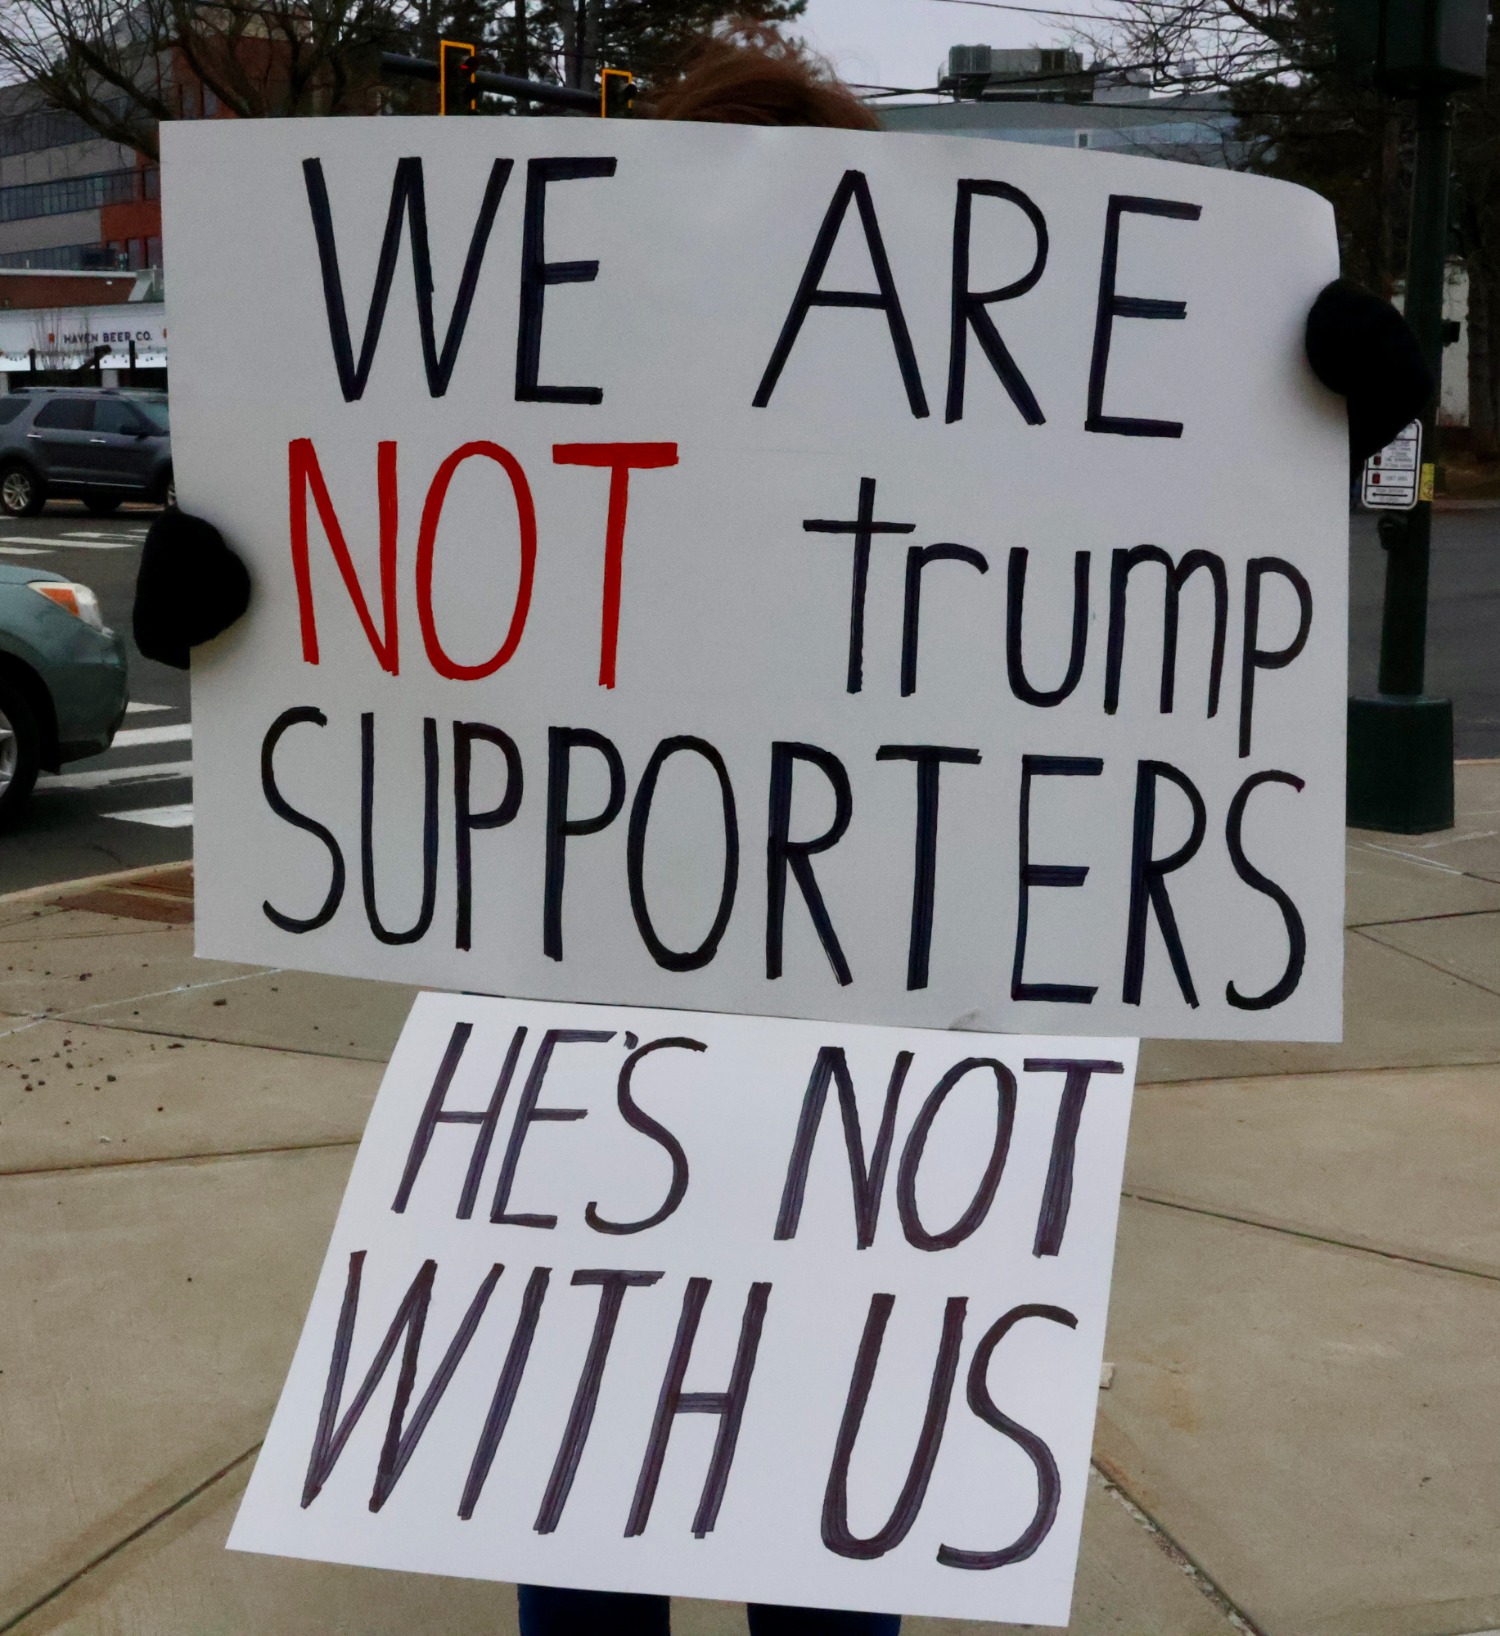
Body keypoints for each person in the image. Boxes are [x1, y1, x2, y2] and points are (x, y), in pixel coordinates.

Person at [131, 26, 1434, 1636]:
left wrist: (1318, 424)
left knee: (821, 1560)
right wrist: (227, 606)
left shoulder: (960, 479)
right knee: (595, 1541)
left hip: (868, 1105)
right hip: (596, 1096)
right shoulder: (565, 445)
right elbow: (386, 608)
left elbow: (1154, 613)